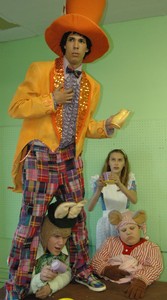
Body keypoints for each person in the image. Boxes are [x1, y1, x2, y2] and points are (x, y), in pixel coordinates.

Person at [5, 0, 130, 298]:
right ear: (63, 46)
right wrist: (52, 100)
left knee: (77, 218)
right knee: (30, 222)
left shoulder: (92, 85)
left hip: (71, 159)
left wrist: (106, 127)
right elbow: (16, 107)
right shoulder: (39, 69)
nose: (76, 45)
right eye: (71, 40)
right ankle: (16, 285)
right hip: (41, 155)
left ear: (88, 49)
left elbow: (83, 127)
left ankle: (83, 270)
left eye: (81, 41)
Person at [91, 209, 163, 299]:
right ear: (118, 232)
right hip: (109, 288)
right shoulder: (110, 242)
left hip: (133, 288)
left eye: (132, 228)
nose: (128, 232)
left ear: (139, 228)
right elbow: (96, 259)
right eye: (123, 230)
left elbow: (155, 267)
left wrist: (141, 281)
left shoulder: (151, 247)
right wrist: (105, 269)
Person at [29, 199, 78, 299]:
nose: (61, 243)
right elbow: (19, 286)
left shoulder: (65, 250)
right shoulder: (29, 251)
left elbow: (67, 273)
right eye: (56, 236)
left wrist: (51, 287)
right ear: (45, 233)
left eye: (65, 237)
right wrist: (40, 278)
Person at [88, 149, 137, 249]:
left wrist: (119, 183)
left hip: (124, 222)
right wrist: (98, 189)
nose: (116, 163)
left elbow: (134, 199)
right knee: (105, 252)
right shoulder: (99, 180)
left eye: (120, 160)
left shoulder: (129, 179)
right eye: (113, 160)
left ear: (124, 164)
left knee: (124, 252)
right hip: (106, 222)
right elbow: (90, 207)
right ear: (108, 163)